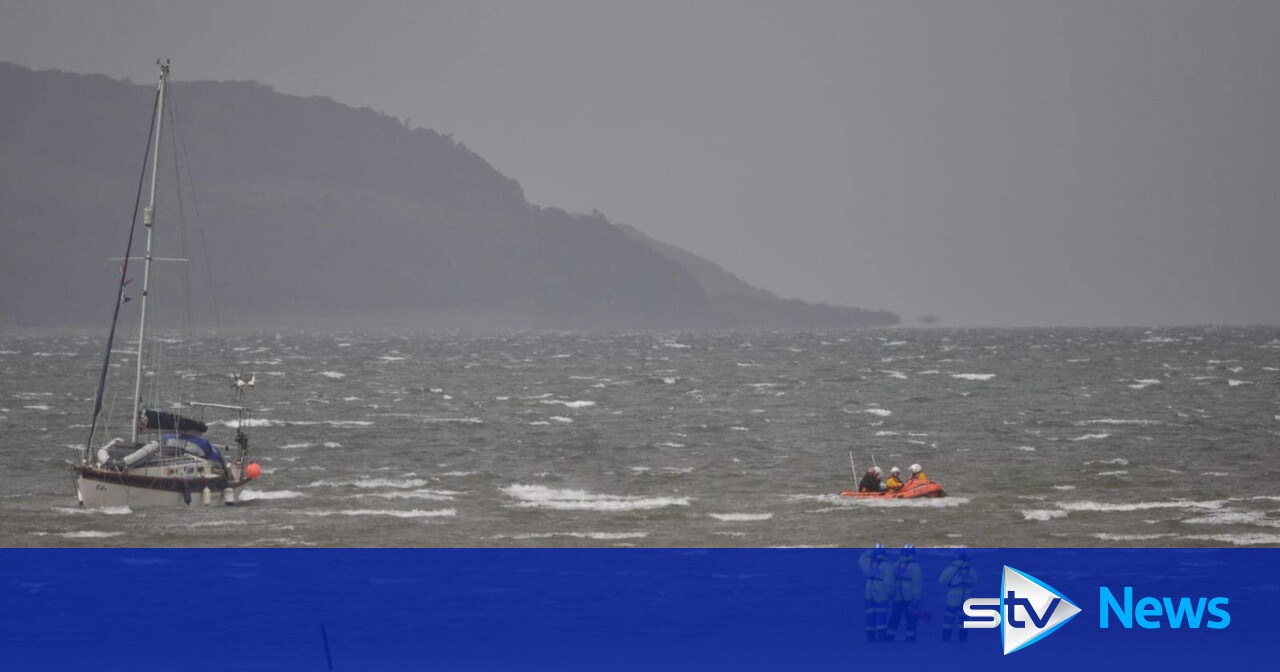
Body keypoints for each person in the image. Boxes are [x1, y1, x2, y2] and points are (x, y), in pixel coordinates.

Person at [938, 549, 977, 641]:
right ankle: (962, 639)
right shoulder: (970, 570)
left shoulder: (950, 569)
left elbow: (941, 580)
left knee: (948, 620)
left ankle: (946, 639)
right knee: (963, 621)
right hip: (965, 600)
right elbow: (975, 581)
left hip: (952, 600)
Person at [859, 544, 895, 641]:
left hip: (869, 591)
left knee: (870, 613)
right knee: (881, 613)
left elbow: (861, 558)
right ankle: (882, 635)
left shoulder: (868, 562)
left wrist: (870, 550)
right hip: (881, 592)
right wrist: (890, 594)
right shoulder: (887, 565)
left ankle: (870, 635)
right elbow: (889, 582)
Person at [887, 544, 923, 642]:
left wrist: (890, 594)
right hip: (910, 599)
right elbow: (917, 584)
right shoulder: (915, 566)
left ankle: (889, 638)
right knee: (911, 621)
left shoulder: (895, 565)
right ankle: (910, 639)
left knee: (894, 619)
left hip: (897, 598)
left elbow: (890, 581)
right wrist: (917, 598)